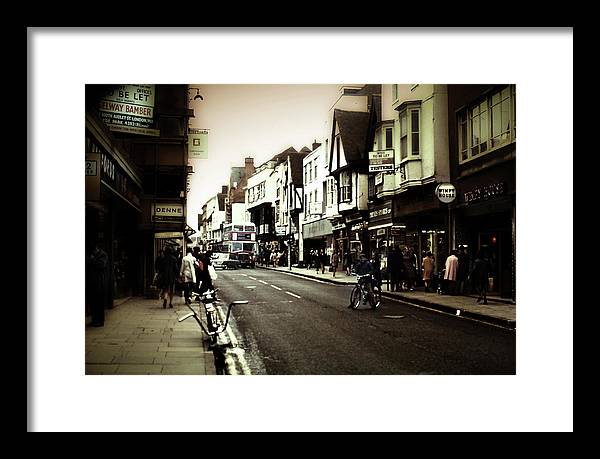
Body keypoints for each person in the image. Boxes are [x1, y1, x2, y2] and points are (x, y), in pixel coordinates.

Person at [86, 240, 109, 327]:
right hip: (92, 282)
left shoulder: (103, 255)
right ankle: (94, 320)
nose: (94, 251)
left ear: (97, 248)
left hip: (99, 282)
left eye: (95, 249)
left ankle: (100, 321)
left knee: (99, 303)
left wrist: (92, 260)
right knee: (93, 303)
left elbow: (101, 265)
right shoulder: (92, 255)